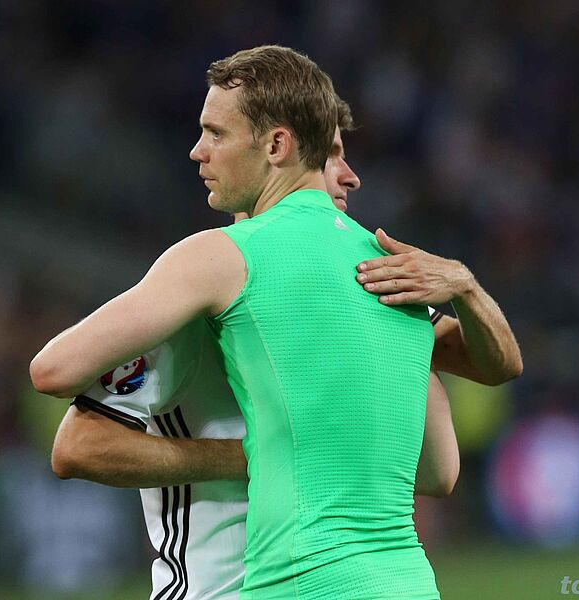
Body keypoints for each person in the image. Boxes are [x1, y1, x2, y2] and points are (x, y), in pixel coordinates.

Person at [32, 45, 518, 599]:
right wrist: (252, 455)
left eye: (215, 134)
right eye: (334, 154)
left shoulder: (369, 276)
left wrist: (457, 292)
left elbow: (51, 370)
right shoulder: (192, 300)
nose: (350, 176)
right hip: (392, 580)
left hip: (287, 581)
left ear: (279, 146)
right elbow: (77, 445)